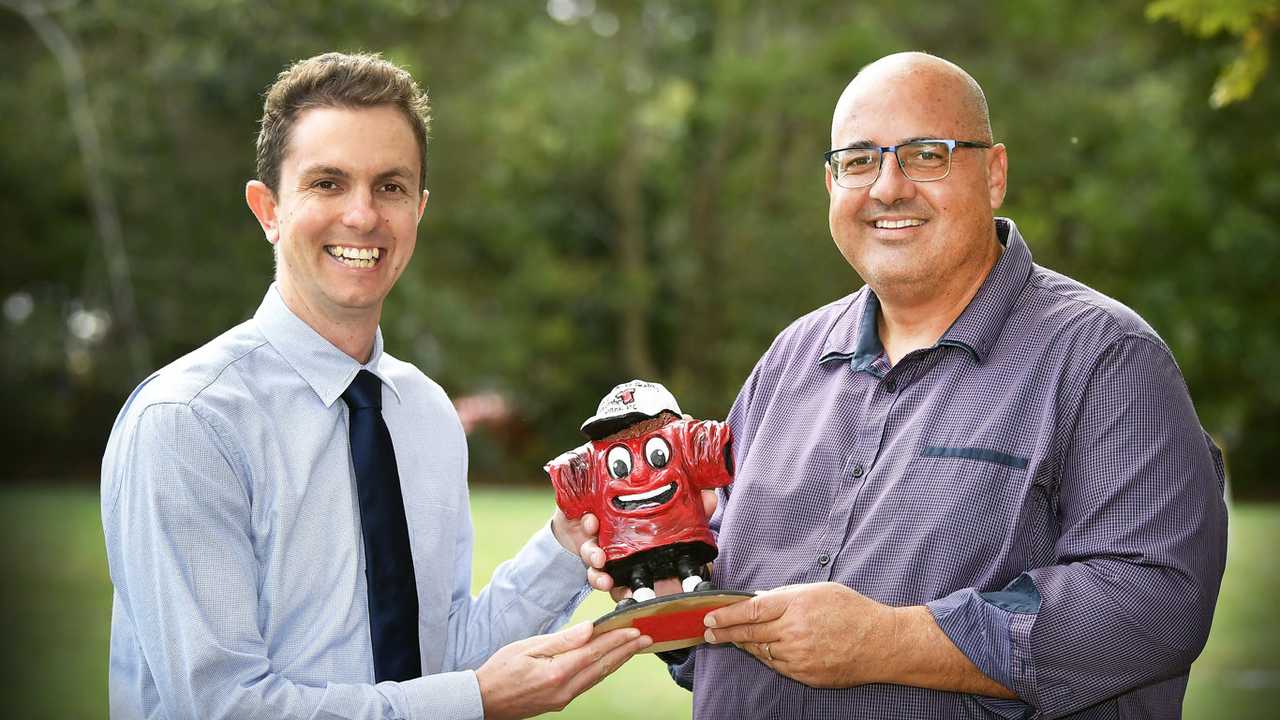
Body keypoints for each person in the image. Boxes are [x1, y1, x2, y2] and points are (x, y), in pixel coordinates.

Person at [589, 51, 1228, 718]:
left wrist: (891, 642)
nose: (888, 188)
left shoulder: (1104, 358)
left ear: (995, 174)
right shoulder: (791, 360)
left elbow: (1152, 607)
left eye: (926, 154)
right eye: (859, 160)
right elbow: (727, 628)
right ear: (831, 182)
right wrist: (675, 590)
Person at [100, 52, 649, 720]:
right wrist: (475, 701)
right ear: (268, 208)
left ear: (418, 209)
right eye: (327, 183)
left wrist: (573, 540)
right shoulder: (187, 423)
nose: (362, 216)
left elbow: (438, 662)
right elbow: (221, 706)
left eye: (389, 187)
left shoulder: (423, 413)